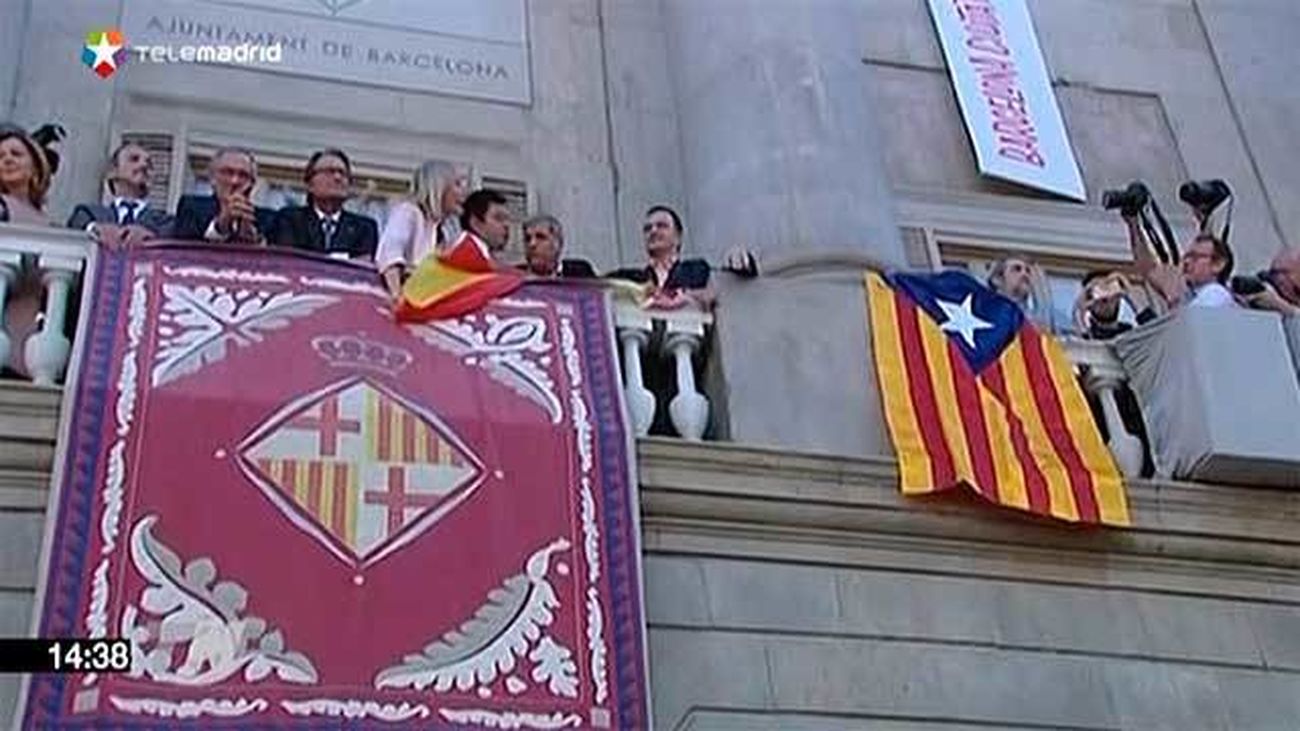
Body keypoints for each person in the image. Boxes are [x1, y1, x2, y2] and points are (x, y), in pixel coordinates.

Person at [375, 160, 471, 299]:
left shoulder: (448, 229)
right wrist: (397, 294)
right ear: (439, 186)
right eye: (457, 184)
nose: (464, 192)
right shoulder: (408, 212)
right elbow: (390, 251)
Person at [269, 148, 378, 260]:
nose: (338, 177)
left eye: (343, 173)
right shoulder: (290, 219)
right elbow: (289, 260)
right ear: (310, 184)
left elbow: (361, 267)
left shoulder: (364, 228)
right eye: (329, 171)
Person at [606, 205, 716, 309]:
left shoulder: (695, 270)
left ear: (678, 237)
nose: (653, 231)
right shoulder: (632, 277)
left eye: (662, 226)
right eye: (648, 229)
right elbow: (595, 283)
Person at [66, 141, 173, 245]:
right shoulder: (88, 213)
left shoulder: (167, 222)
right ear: (112, 172)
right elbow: (76, 224)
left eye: (149, 164)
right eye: (134, 159)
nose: (144, 165)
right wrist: (96, 229)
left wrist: (151, 236)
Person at [1123, 213, 1235, 311]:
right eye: (1186, 257)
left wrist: (1174, 300)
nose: (1186, 262)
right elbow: (1149, 270)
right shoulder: (1188, 293)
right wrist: (1134, 226)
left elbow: (1191, 324)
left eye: (1195, 257)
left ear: (1218, 265)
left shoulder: (1216, 292)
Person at [173, 147, 276, 244]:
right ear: (212, 178)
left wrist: (252, 236)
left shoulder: (267, 219)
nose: (234, 181)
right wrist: (221, 225)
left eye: (243, 175)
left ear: (252, 183)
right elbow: (185, 250)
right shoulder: (192, 208)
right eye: (227, 173)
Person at [986, 255, 1061, 331]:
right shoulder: (987, 312)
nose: (1024, 274)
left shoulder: (1033, 320)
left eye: (1028, 271)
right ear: (998, 279)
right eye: (1017, 269)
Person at [0, 125, 54, 226]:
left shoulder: (49, 222)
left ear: (35, 167)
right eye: (0, 157)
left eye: (16, 154)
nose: (8, 159)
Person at [446, 188, 512, 265]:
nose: (506, 225)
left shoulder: (486, 257)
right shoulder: (467, 259)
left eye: (507, 219)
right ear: (476, 223)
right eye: (498, 218)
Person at [519, 214, 596, 278]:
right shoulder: (515, 276)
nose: (532, 244)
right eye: (527, 239)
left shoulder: (580, 273)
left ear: (558, 243)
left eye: (540, 237)